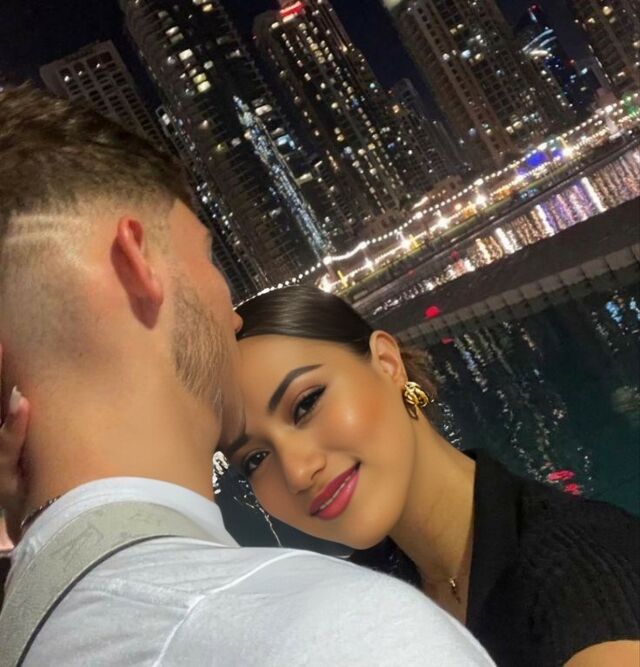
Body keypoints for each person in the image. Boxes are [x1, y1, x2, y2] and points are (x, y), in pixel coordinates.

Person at [0, 86, 493, 666]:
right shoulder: (341, 636)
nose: (232, 316)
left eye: (306, 404)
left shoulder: (34, 627)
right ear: (139, 263)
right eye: (208, 258)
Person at [214, 285, 638, 667]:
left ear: (387, 363)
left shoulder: (579, 568)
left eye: (306, 404)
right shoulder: (371, 589)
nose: (297, 472)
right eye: (255, 459)